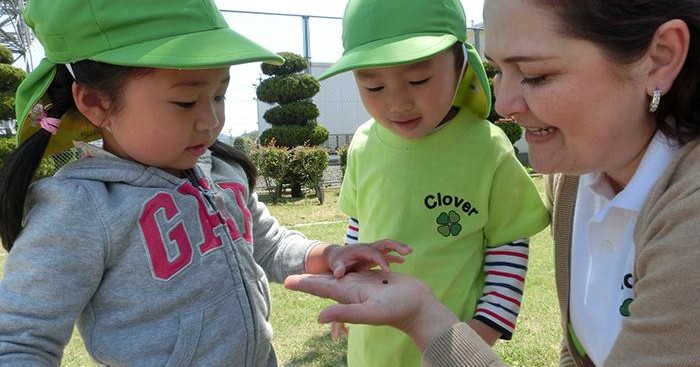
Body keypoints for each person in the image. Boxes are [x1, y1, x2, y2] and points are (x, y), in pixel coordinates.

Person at [287, 0, 700, 366]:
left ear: (660, 57)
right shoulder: (576, 180)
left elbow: (508, 249)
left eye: (536, 75)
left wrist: (447, 324)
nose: (502, 105)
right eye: (499, 70)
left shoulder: (688, 223)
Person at [0, 1, 412, 366]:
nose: (211, 120)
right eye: (185, 101)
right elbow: (20, 339)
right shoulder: (80, 207)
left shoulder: (218, 171)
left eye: (219, 95)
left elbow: (267, 242)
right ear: (96, 103)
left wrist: (330, 254)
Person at [316, 0, 550, 366]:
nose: (397, 103)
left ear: (460, 66)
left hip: (452, 345)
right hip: (372, 347)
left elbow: (509, 245)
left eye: (418, 80)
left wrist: (485, 326)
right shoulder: (363, 144)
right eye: (373, 86)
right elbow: (360, 227)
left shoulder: (487, 148)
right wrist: (347, 287)